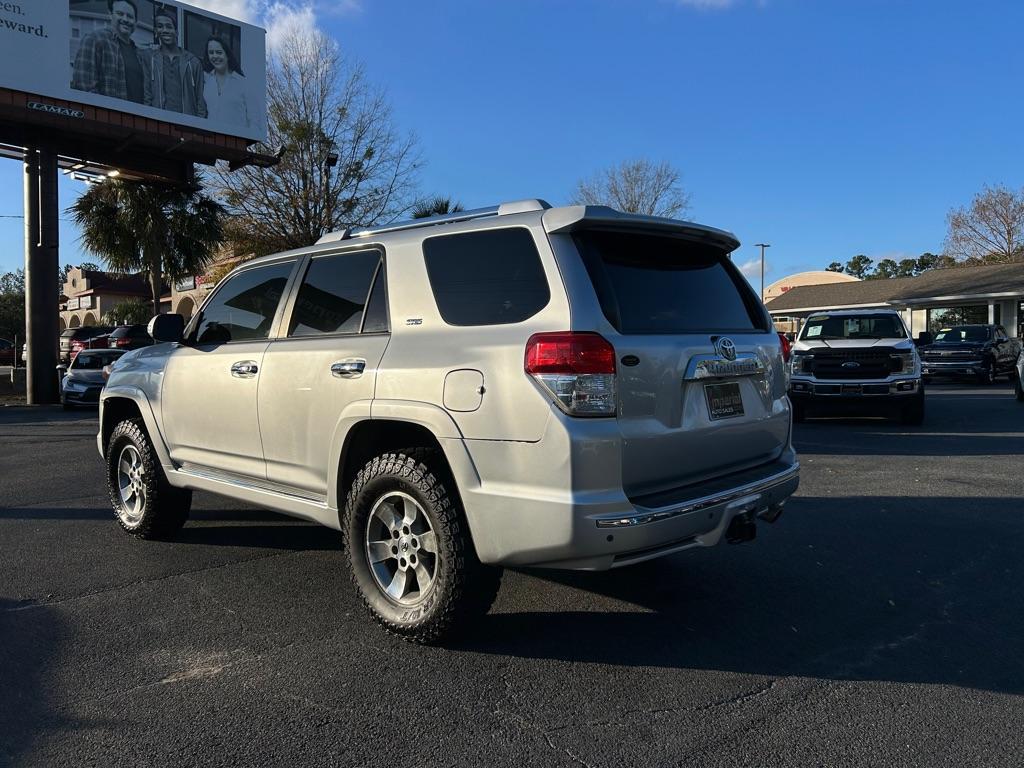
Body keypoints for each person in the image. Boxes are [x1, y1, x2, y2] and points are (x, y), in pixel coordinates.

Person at [71, 0, 151, 105]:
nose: (125, 19)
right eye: (120, 14)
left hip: (138, 118)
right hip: (107, 118)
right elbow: (84, 87)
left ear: (135, 22)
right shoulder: (95, 40)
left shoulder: (140, 54)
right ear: (110, 15)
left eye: (130, 17)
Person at [149, 7, 207, 117]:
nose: (165, 30)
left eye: (169, 27)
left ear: (176, 32)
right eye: (160, 26)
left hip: (186, 125)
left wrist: (199, 126)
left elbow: (200, 99)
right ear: (156, 31)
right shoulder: (152, 59)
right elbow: (147, 95)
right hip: (159, 123)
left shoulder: (193, 62)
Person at [203, 36, 249, 127]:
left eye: (219, 52)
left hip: (236, 139)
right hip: (211, 138)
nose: (215, 56)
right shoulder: (205, 80)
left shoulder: (243, 83)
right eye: (211, 53)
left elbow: (255, 120)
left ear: (227, 55)